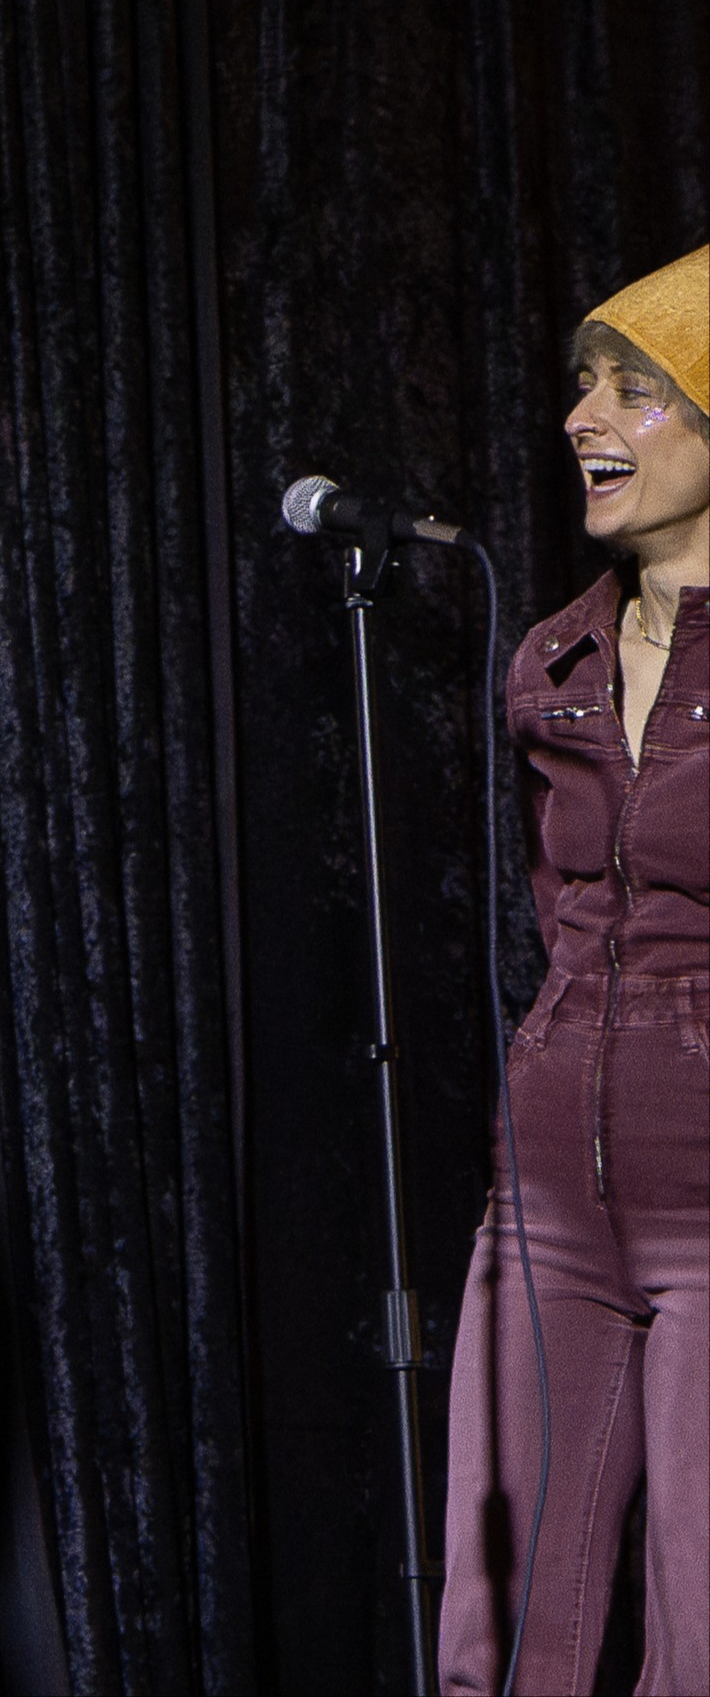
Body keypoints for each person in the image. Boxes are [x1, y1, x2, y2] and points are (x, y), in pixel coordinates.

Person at [440, 246, 709, 1695]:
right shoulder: (552, 659)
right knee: (497, 1625)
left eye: (634, 389)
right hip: (544, 1191)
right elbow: (559, 913)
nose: (580, 416)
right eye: (580, 385)